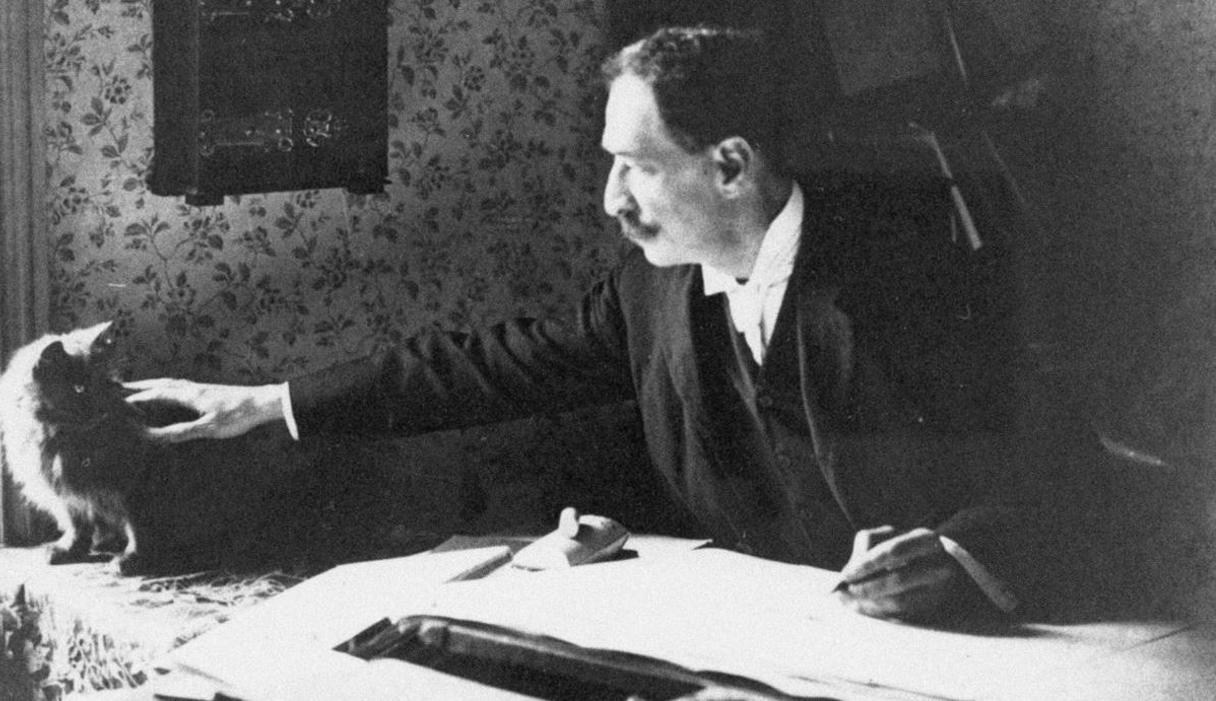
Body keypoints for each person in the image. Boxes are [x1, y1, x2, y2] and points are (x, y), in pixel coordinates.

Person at [124, 26, 1084, 622]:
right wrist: (265, 402)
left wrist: (957, 558)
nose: (609, 201)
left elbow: (1077, 485)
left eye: (636, 165)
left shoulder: (911, 276)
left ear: (734, 164)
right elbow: (481, 366)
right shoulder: (651, 293)